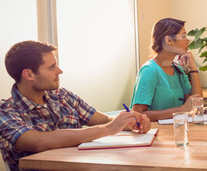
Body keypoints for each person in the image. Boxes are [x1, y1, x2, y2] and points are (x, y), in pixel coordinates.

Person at [0, 41, 151, 171]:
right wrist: (109, 129)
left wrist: (128, 121)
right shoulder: (5, 113)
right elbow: (41, 142)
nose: (60, 71)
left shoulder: (63, 96)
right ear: (29, 75)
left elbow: (104, 120)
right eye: (52, 67)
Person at [131, 18, 203, 121]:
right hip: (153, 133)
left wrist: (193, 69)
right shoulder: (149, 71)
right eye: (183, 36)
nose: (188, 41)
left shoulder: (178, 70)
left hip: (176, 130)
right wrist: (181, 109)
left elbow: (197, 103)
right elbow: (138, 113)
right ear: (169, 40)